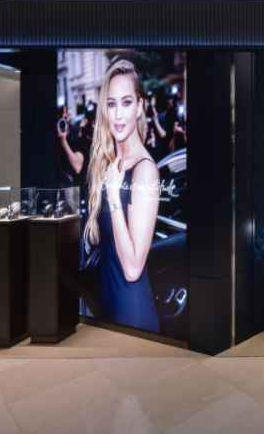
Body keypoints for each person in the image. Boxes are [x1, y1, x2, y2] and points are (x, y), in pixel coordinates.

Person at [83, 59, 161, 333]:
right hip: (106, 305)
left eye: (126, 102)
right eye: (111, 104)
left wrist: (114, 198)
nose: (117, 114)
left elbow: (132, 268)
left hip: (131, 313)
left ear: (139, 106)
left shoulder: (145, 170)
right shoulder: (110, 164)